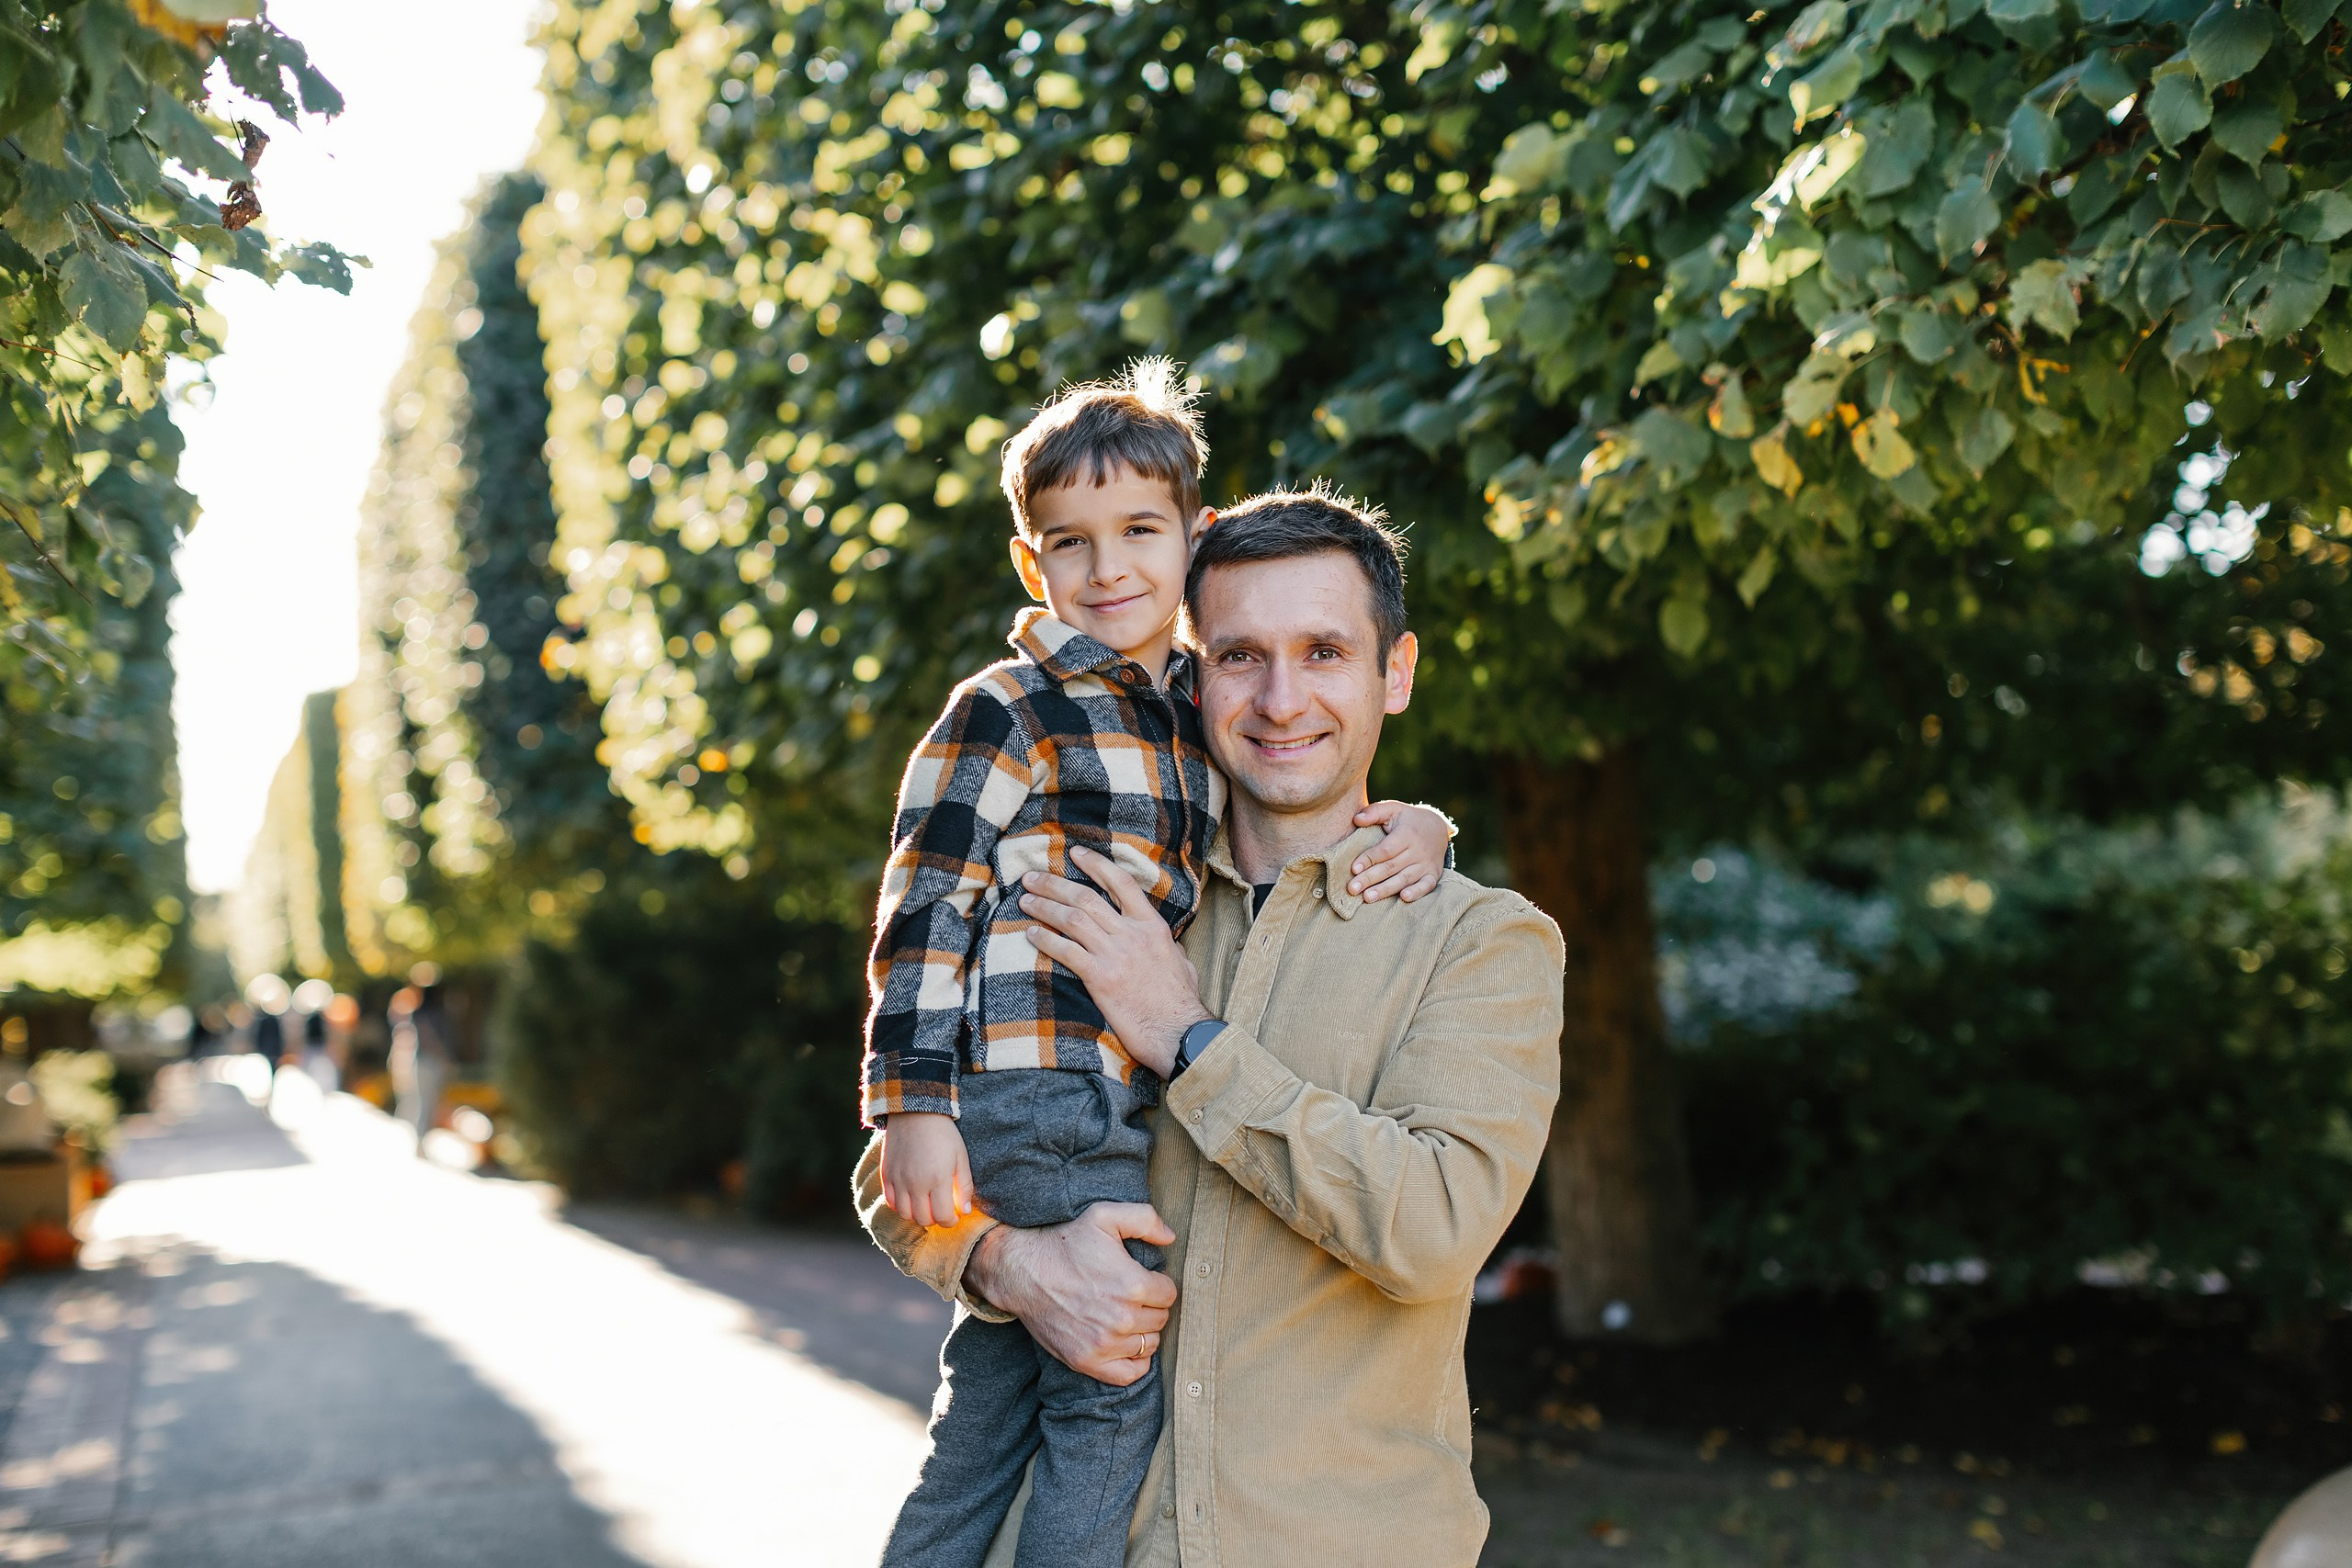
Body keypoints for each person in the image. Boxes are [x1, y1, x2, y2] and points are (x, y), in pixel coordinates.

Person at [858, 487, 1566, 1568]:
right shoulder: (1098, 885)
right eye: (1238, 656)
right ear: (1187, 677)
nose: (1281, 699)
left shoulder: (1481, 943)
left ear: (1397, 672)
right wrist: (1008, 1266)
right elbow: (901, 1161)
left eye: (1324, 651)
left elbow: (1432, 1232)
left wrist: (1184, 1034)